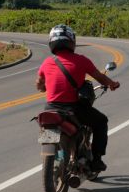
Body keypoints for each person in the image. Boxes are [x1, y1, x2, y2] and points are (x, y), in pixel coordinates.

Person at [35, 24, 120, 172]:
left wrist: (45, 87)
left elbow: (39, 85)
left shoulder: (47, 62)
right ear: (71, 41)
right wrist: (112, 84)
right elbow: (99, 77)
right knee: (101, 121)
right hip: (73, 109)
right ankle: (97, 160)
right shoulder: (81, 60)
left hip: (50, 109)